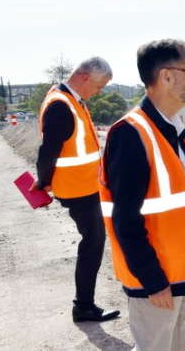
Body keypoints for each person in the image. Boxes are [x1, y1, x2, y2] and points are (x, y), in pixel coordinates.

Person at [100, 39, 185, 350]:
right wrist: (153, 281)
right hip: (159, 283)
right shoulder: (130, 133)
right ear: (166, 76)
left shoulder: (172, 129)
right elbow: (125, 220)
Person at [30, 57, 120, 323]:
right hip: (77, 189)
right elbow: (48, 152)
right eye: (99, 86)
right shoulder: (61, 105)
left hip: (84, 185)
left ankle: (84, 305)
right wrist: (44, 180)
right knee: (92, 244)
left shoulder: (68, 99)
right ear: (84, 77)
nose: (99, 92)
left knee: (93, 242)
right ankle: (83, 306)